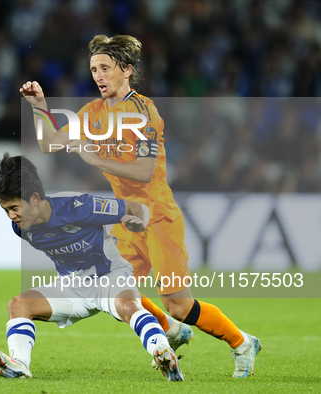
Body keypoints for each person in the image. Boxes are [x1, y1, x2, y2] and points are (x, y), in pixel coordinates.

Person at [20, 34, 261, 378]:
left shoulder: (145, 112)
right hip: (127, 219)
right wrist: (39, 106)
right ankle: (172, 332)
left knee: (178, 304)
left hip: (159, 216)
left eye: (105, 67)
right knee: (114, 291)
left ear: (127, 70)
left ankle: (242, 343)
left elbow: (145, 170)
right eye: (93, 69)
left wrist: (94, 158)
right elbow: (48, 143)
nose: (98, 75)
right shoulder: (93, 113)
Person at [0, 154, 184, 382]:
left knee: (129, 307)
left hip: (109, 277)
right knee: (18, 305)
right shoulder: (21, 228)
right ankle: (20, 365)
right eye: (6, 210)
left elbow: (138, 208)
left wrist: (139, 223)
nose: (11, 216)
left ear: (35, 199)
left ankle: (163, 354)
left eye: (14, 208)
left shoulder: (79, 206)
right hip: (72, 286)